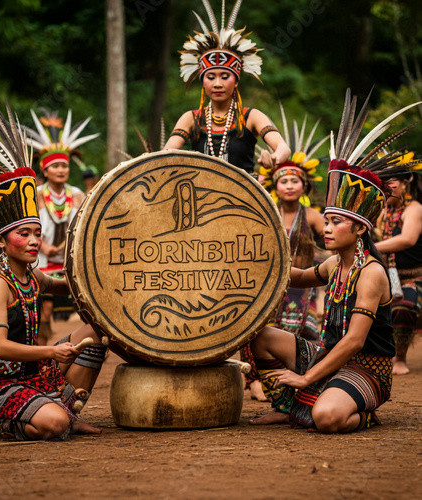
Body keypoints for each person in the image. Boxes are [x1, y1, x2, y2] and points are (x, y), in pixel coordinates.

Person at [247, 90, 420, 433]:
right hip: (327, 355)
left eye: (335, 222)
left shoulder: (370, 273)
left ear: (359, 228)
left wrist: (306, 377)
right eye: (325, 221)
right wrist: (260, 258)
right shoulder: (333, 265)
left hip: (365, 368)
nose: (326, 229)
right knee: (261, 336)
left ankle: (351, 407)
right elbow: (294, 277)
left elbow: (355, 342)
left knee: (327, 419)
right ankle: (285, 407)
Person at [0, 94, 107, 440]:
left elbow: (67, 285)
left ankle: (60, 409)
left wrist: (101, 275)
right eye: (24, 234)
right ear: (1, 241)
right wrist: (52, 350)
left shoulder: (31, 276)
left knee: (96, 332)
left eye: (37, 233)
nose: (33, 241)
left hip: (28, 373)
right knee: (55, 426)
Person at [240, 109, 328, 400]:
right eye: (283, 181)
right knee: (255, 333)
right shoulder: (267, 213)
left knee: (310, 333)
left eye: (294, 181)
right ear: (275, 187)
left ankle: (306, 383)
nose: (289, 185)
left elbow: (332, 250)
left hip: (303, 289)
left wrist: (323, 291)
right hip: (269, 286)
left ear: (305, 185)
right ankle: (258, 382)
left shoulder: (314, 216)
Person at [163, 0, 291, 172]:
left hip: (244, 197)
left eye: (225, 77)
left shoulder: (251, 117)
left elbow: (284, 148)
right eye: (210, 77)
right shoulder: (191, 119)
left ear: (236, 81)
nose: (217, 84)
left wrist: (275, 157)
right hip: (199, 196)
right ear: (203, 82)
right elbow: (165, 155)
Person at [23, 109, 99, 344]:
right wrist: (42, 247)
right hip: (42, 260)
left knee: (86, 306)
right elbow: (26, 225)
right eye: (55, 166)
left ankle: (86, 346)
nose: (61, 170)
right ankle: (41, 348)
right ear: (44, 170)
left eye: (64, 166)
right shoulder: (35, 194)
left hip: (70, 260)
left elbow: (83, 225)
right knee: (43, 309)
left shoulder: (76, 195)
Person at [375, 151, 422, 375]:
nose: (386, 186)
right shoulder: (383, 211)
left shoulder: (415, 209)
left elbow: (407, 239)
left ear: (405, 183)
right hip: (387, 275)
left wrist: (373, 247)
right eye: (382, 182)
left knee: (404, 304)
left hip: (416, 276)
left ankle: (400, 357)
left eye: (391, 182)